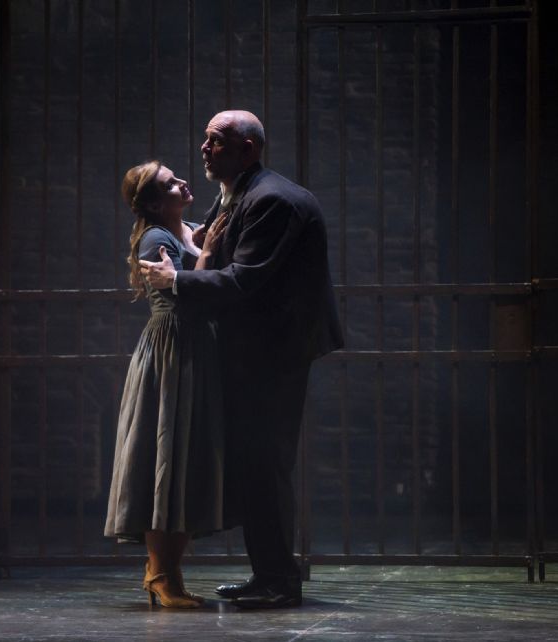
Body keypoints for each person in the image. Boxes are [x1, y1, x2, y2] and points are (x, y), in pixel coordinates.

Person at [141, 110, 343, 609]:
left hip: (273, 355)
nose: (204, 149)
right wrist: (185, 241)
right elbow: (213, 243)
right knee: (255, 466)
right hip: (255, 352)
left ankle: (279, 582)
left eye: (215, 141)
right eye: (205, 139)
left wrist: (175, 279)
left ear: (247, 149)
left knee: (266, 465)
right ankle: (268, 576)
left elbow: (243, 279)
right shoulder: (237, 192)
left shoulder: (271, 199)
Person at [104, 160, 231, 609]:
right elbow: (187, 296)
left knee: (186, 461)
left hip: (196, 350)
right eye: (169, 183)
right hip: (171, 353)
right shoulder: (156, 238)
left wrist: (202, 249)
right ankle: (162, 575)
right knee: (167, 457)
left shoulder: (192, 230)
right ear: (156, 204)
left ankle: (165, 572)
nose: (182, 182)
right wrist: (205, 254)